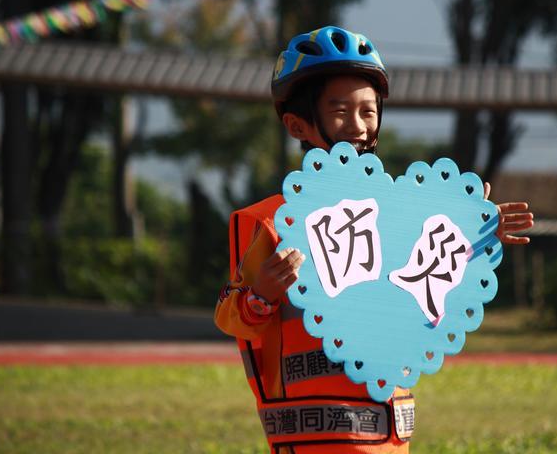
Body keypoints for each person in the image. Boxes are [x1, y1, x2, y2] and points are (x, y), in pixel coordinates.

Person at [214, 26, 533, 454]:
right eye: (340, 111)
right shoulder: (272, 222)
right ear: (297, 124)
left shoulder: (400, 214)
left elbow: (424, 285)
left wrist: (472, 237)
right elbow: (229, 316)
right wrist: (261, 295)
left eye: (368, 111)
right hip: (315, 439)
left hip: (390, 436)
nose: (358, 125)